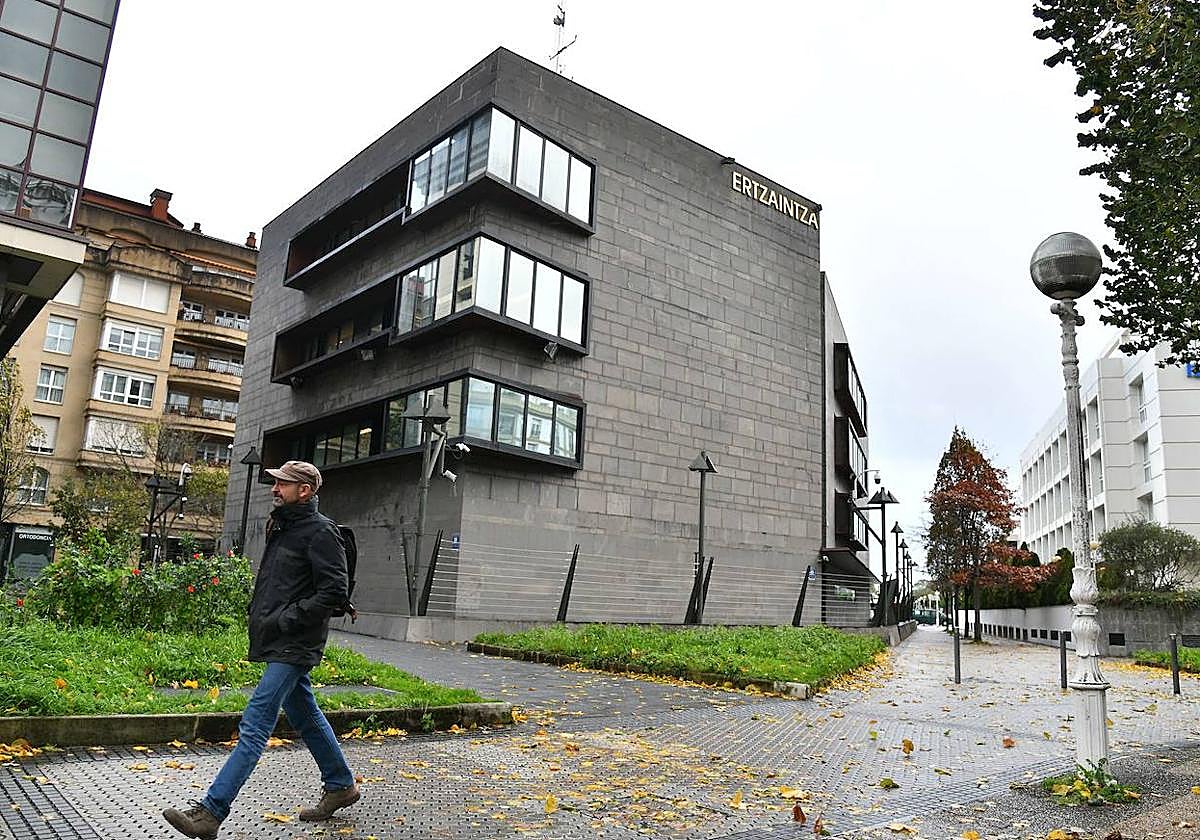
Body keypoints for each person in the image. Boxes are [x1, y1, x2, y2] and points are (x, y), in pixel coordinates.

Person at [164, 460, 360, 839]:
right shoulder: (284, 527)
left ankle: (211, 812)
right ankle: (340, 784)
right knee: (304, 714)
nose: (275, 488)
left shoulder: (320, 532)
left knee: (255, 724)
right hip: (281, 639)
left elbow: (334, 591)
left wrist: (287, 619)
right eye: (275, 482)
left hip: (296, 641)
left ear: (304, 490)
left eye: (283, 483)